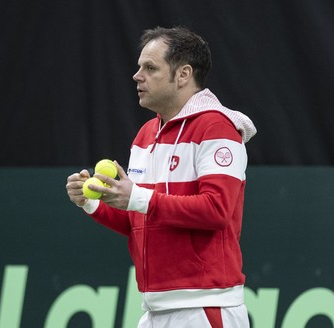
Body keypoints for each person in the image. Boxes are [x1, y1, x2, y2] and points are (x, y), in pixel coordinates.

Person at [66, 26, 256, 327]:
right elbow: (139, 220)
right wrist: (92, 203)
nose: (137, 75)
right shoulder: (146, 135)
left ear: (183, 75)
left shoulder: (217, 129)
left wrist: (137, 197)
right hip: (155, 310)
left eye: (150, 68)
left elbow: (217, 210)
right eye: (139, 67)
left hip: (205, 308)